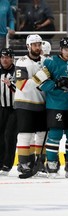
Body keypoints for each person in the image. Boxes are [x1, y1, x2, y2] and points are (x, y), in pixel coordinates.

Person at [32, 37, 68, 178]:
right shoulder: (50, 62)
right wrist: (56, 84)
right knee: (56, 134)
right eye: (65, 49)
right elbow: (38, 82)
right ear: (60, 49)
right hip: (55, 104)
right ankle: (51, 163)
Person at [14, 34, 47, 176]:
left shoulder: (46, 61)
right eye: (34, 45)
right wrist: (41, 76)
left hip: (42, 103)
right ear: (28, 46)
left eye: (39, 44)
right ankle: (24, 163)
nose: (37, 47)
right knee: (25, 134)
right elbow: (23, 86)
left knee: (41, 134)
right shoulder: (22, 62)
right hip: (24, 104)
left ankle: (39, 163)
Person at [0, 48, 17, 176]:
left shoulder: (17, 71)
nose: (5, 59)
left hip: (13, 109)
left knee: (9, 136)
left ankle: (7, 164)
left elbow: (22, 89)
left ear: (11, 58)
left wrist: (10, 85)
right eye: (2, 57)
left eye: (7, 57)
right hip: (1, 108)